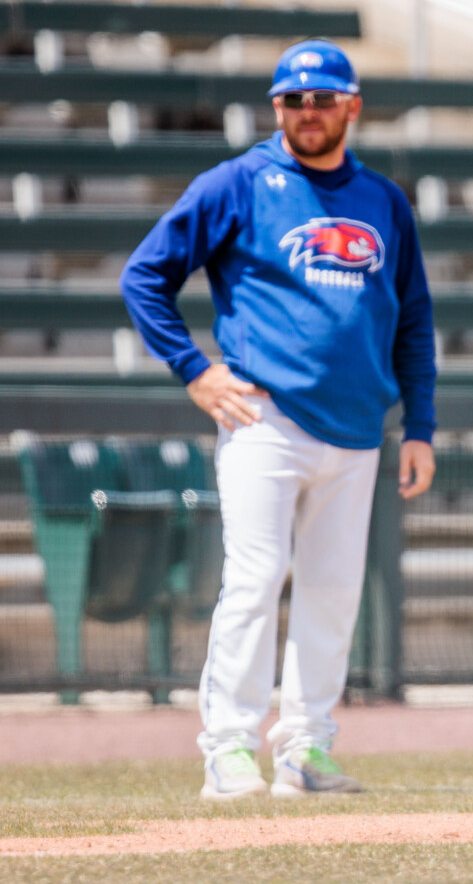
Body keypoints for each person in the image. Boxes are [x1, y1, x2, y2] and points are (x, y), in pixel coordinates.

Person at [120, 40, 437, 800]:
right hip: (264, 418)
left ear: (352, 107)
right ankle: (227, 748)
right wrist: (195, 371)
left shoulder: (384, 200)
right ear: (275, 108)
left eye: (322, 99)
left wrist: (420, 424)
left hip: (360, 428)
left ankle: (304, 748)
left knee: (332, 592)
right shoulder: (238, 182)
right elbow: (144, 277)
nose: (307, 112)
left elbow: (413, 319)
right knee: (255, 581)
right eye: (292, 101)